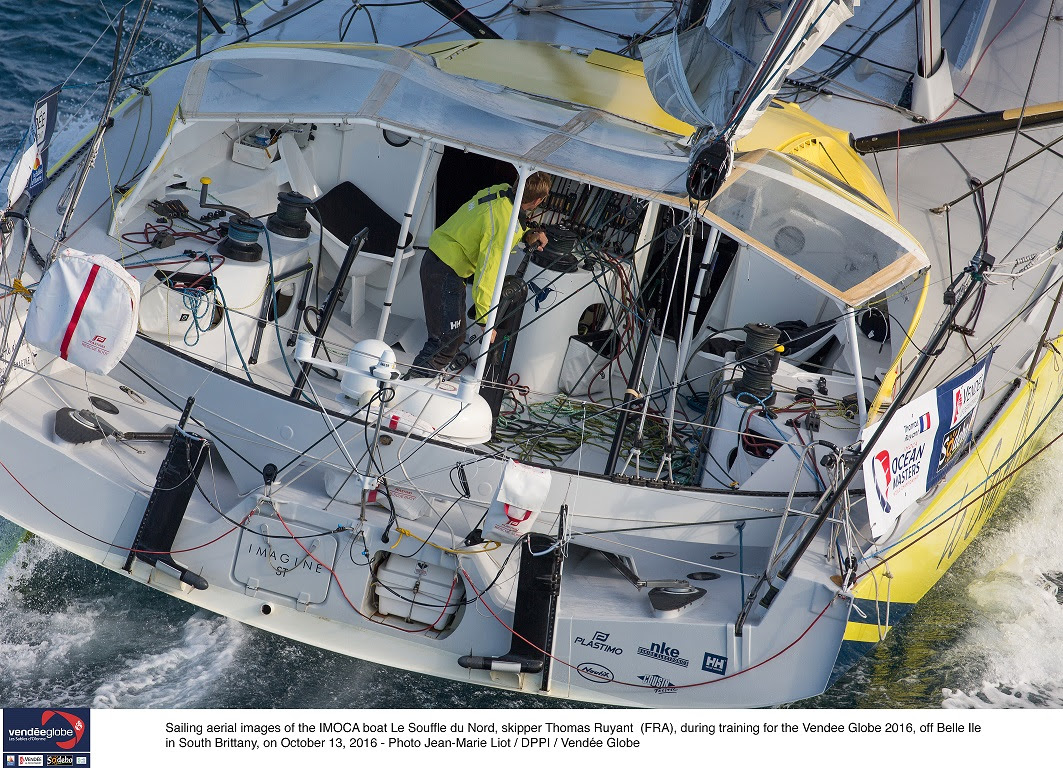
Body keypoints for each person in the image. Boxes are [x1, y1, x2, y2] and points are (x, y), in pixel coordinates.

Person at [408, 171, 551, 378]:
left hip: (441, 262)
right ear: (539, 200)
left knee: (456, 339)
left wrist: (527, 234)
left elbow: (503, 220)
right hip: (444, 270)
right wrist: (486, 320)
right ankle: (411, 384)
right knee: (445, 342)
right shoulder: (503, 225)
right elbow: (487, 274)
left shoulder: (501, 191)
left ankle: (419, 381)